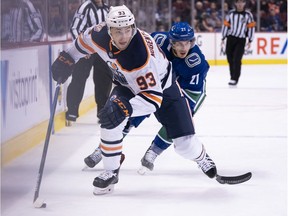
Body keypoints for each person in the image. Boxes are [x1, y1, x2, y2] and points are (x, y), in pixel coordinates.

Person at [51, 5, 217, 195]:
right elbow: (81, 44)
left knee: (184, 145)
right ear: (108, 29)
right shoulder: (98, 34)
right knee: (108, 120)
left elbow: (153, 99)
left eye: (127, 30)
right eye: (118, 31)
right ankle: (111, 172)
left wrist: (125, 109)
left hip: (165, 90)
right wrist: (67, 59)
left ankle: (201, 157)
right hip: (127, 85)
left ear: (133, 27)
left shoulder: (141, 55)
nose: (123, 36)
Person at [84, 22, 210, 176]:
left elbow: (189, 90)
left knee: (176, 121)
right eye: (179, 44)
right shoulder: (157, 39)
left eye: (188, 43)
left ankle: (154, 152)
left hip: (189, 91)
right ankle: (103, 149)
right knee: (130, 110)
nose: (184, 48)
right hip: (157, 83)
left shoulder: (197, 63)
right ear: (171, 42)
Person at [65, 0, 113, 125]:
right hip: (85, 52)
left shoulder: (107, 9)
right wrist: (81, 48)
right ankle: (72, 112)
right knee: (78, 80)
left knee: (104, 82)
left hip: (101, 51)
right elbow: (75, 28)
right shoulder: (85, 7)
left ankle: (102, 113)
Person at [221, 0, 255, 86]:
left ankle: (235, 78)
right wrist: (223, 37)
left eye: (242, 2)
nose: (240, 4)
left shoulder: (248, 15)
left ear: (244, 4)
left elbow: (251, 28)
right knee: (229, 58)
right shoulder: (230, 14)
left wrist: (250, 40)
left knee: (237, 59)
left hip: (241, 39)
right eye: (238, 2)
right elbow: (225, 25)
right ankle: (232, 76)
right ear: (235, 4)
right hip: (231, 38)